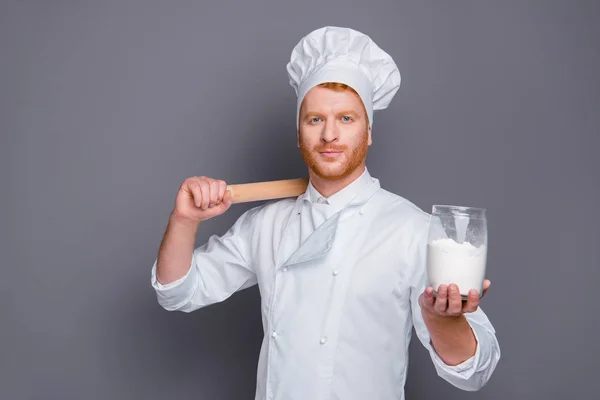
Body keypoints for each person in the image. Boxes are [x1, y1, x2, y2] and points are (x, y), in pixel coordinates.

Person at [151, 26, 501, 400]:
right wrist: (184, 221)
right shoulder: (267, 224)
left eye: (347, 119)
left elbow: (474, 371)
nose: (329, 135)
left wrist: (442, 320)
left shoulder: (413, 230)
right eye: (315, 119)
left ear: (368, 131)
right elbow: (178, 293)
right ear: (299, 132)